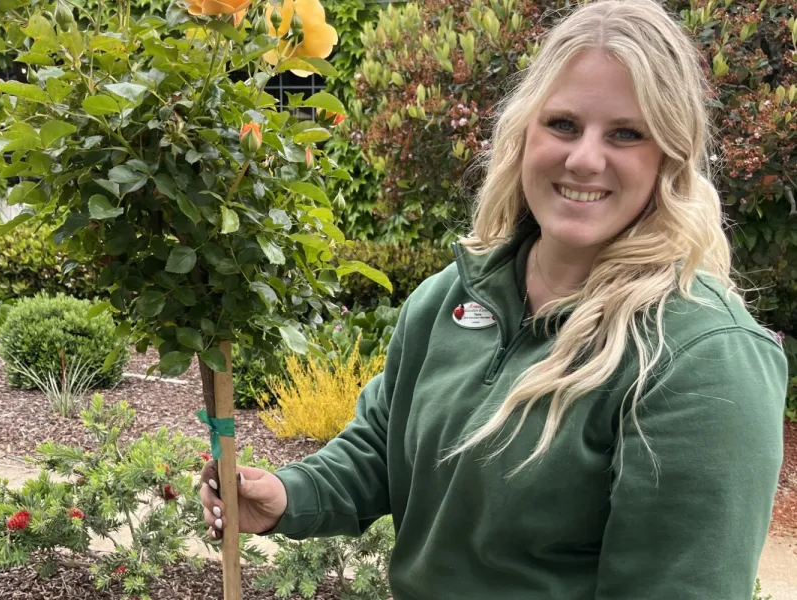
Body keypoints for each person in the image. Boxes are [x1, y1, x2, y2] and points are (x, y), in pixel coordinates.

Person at [200, 1, 788, 598]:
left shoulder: (699, 357)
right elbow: (383, 444)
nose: (584, 158)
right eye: (562, 124)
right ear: (523, 132)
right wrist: (289, 494)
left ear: (669, 155)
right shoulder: (451, 297)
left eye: (626, 134)